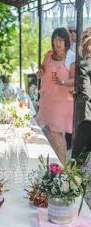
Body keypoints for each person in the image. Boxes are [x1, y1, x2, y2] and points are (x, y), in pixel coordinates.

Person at [36, 27, 75, 164]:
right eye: (55, 39)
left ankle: (63, 166)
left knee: (56, 132)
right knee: (50, 132)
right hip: (48, 99)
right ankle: (56, 166)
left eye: (61, 40)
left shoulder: (71, 57)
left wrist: (62, 82)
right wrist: (40, 73)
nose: (57, 43)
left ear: (66, 42)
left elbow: (75, 80)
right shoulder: (48, 55)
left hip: (63, 101)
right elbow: (42, 70)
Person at [72, 27, 91, 162]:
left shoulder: (84, 63)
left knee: (76, 162)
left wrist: (74, 95)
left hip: (87, 119)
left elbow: (85, 93)